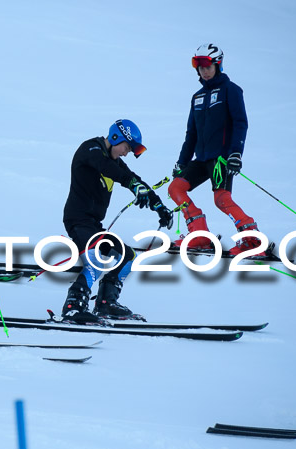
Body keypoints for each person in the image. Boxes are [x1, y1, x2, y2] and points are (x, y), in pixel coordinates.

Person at [60, 119, 173, 324]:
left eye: (129, 150)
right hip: (78, 220)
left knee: (127, 257)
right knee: (95, 260)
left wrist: (159, 207)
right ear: (115, 138)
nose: (125, 153)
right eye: (126, 147)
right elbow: (113, 171)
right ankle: (73, 307)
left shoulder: (114, 161)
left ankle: (106, 303)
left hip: (94, 225)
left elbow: (131, 177)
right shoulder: (91, 149)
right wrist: (131, 183)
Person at [167, 43, 260, 255]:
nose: (204, 71)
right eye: (199, 67)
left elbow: (240, 123)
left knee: (221, 199)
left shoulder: (231, 90)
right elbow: (191, 134)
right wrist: (182, 162)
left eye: (208, 66)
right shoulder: (197, 97)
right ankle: (199, 236)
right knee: (175, 188)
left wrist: (236, 153)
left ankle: (252, 240)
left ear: (218, 65)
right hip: (201, 160)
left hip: (221, 158)